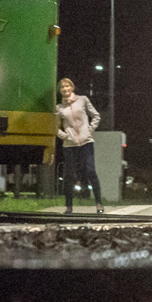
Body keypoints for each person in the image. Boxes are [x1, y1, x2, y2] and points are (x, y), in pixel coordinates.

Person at [55, 77, 104, 214]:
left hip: (86, 142)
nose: (65, 89)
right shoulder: (59, 108)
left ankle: (99, 204)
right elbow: (54, 126)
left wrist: (88, 131)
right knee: (69, 175)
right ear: (60, 91)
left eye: (67, 86)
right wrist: (65, 136)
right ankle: (69, 206)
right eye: (62, 87)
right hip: (69, 145)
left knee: (91, 171)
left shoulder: (83, 100)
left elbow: (96, 116)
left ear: (72, 87)